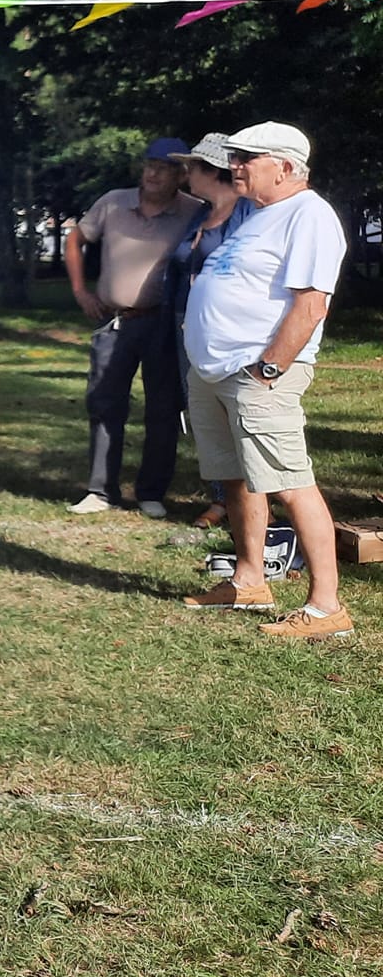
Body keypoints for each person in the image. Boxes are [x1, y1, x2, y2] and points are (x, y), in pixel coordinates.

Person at [180, 122, 353, 638]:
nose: (233, 166)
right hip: (216, 372)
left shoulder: (309, 214)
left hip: (257, 374)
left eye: (245, 158)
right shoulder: (259, 214)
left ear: (284, 166)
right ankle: (249, 580)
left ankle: (326, 608)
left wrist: (270, 369)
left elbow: (311, 304)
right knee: (235, 478)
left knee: (292, 484)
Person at [64, 138, 204, 517]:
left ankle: (151, 492)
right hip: (114, 321)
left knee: (163, 408)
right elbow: (75, 239)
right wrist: (80, 291)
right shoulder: (114, 202)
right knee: (104, 404)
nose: (153, 173)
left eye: (165, 168)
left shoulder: (193, 211)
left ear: (182, 175)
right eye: (149, 165)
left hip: (162, 323)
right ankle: (100, 490)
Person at [165, 135, 256, 530]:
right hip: (186, 323)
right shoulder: (200, 214)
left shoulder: (248, 212)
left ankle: (253, 501)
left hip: (227, 328)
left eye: (192, 166)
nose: (186, 173)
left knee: (235, 411)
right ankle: (221, 498)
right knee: (201, 410)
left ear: (212, 171)